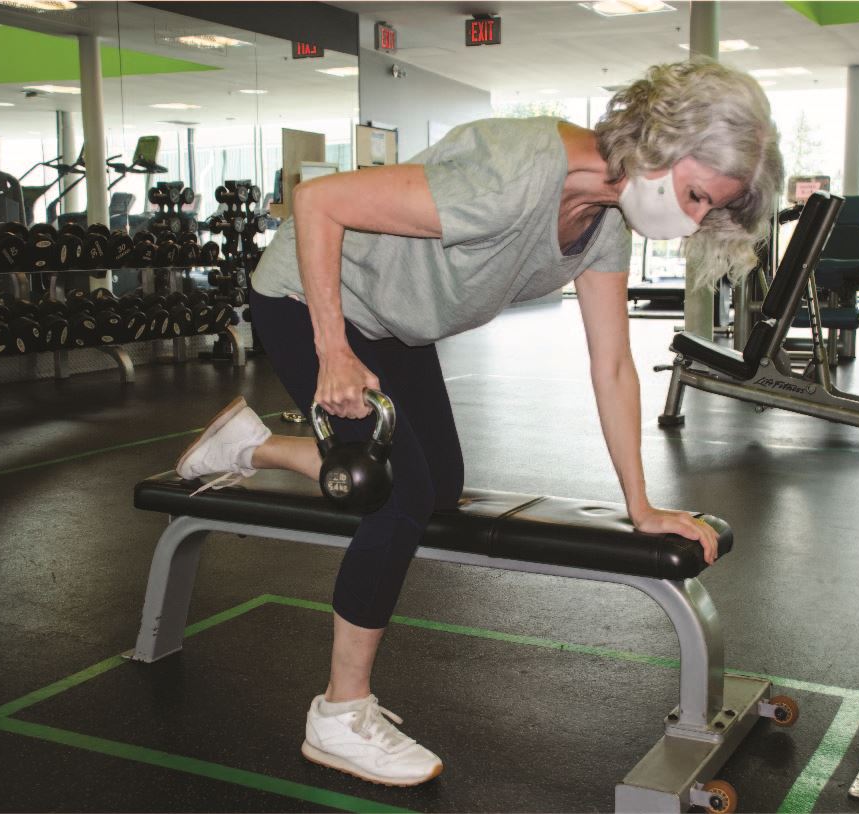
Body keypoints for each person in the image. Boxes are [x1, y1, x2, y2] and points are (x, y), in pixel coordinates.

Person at [175, 58, 782, 788]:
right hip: (313, 298)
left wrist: (641, 506)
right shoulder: (516, 170)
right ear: (661, 140)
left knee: (438, 491)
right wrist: (331, 350)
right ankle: (339, 715)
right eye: (691, 196)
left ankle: (253, 446)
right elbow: (318, 202)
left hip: (398, 324)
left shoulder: (603, 226)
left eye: (704, 210)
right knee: (395, 497)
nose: (688, 221)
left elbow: (613, 366)